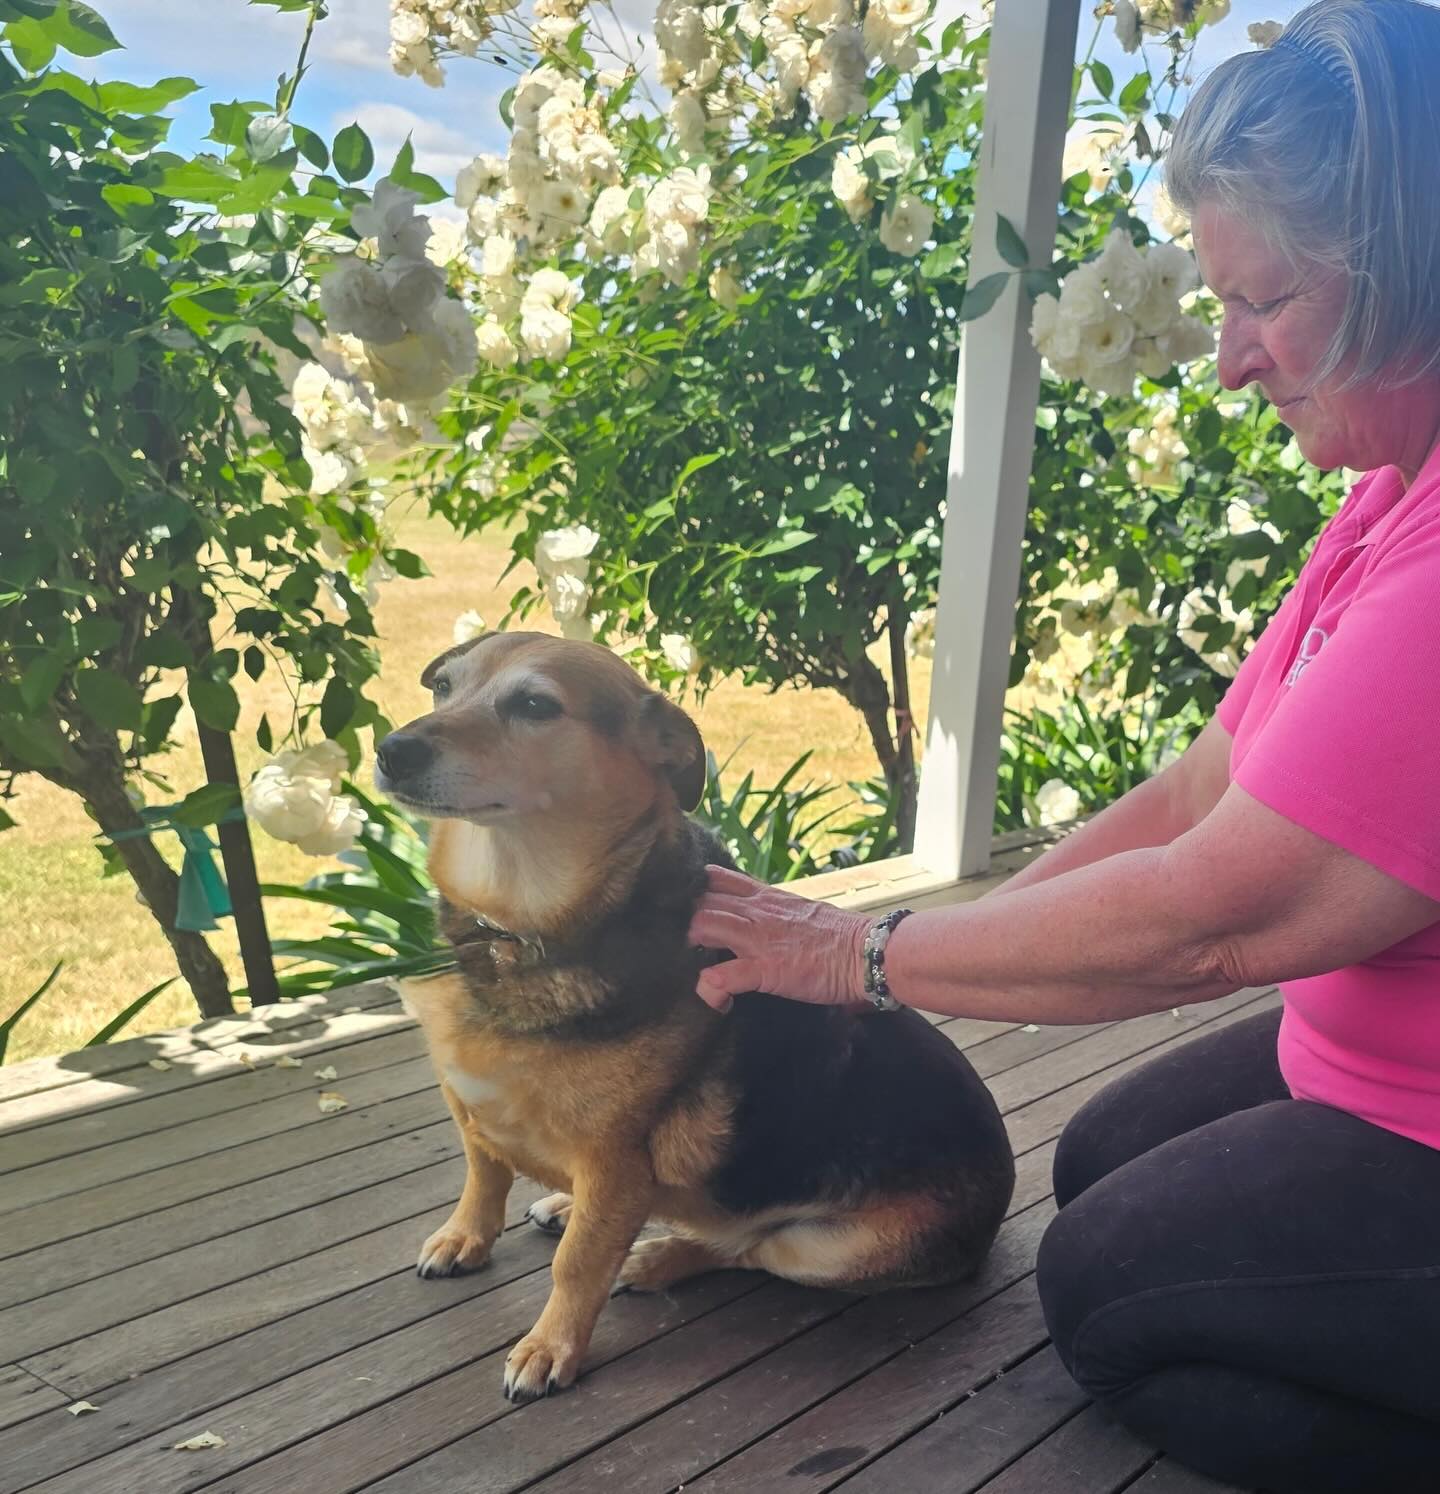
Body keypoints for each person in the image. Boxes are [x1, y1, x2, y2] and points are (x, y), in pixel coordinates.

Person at [686, 3, 1440, 1490]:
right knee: (1099, 1164)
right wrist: (925, 931)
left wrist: (858, 961)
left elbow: (1210, 919)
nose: (1229, 364)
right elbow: (1200, 790)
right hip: (1372, 1062)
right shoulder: (1386, 505)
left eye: (1266, 301)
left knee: (1110, 1300)